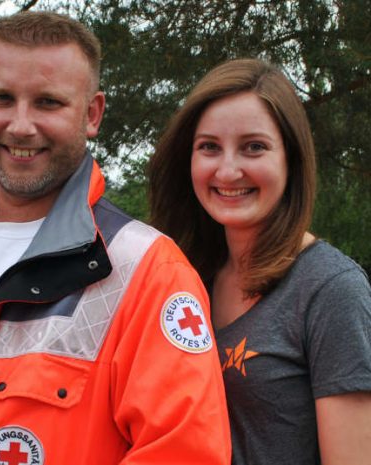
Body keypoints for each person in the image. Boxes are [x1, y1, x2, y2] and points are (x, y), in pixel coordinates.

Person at [0, 11, 230, 465]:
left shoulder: (146, 272)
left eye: (48, 103)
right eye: (3, 98)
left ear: (92, 114)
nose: (22, 126)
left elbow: (187, 454)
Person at [148, 58, 371, 465]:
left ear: (291, 158)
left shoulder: (332, 289)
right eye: (209, 147)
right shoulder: (181, 277)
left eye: (254, 147)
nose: (228, 170)